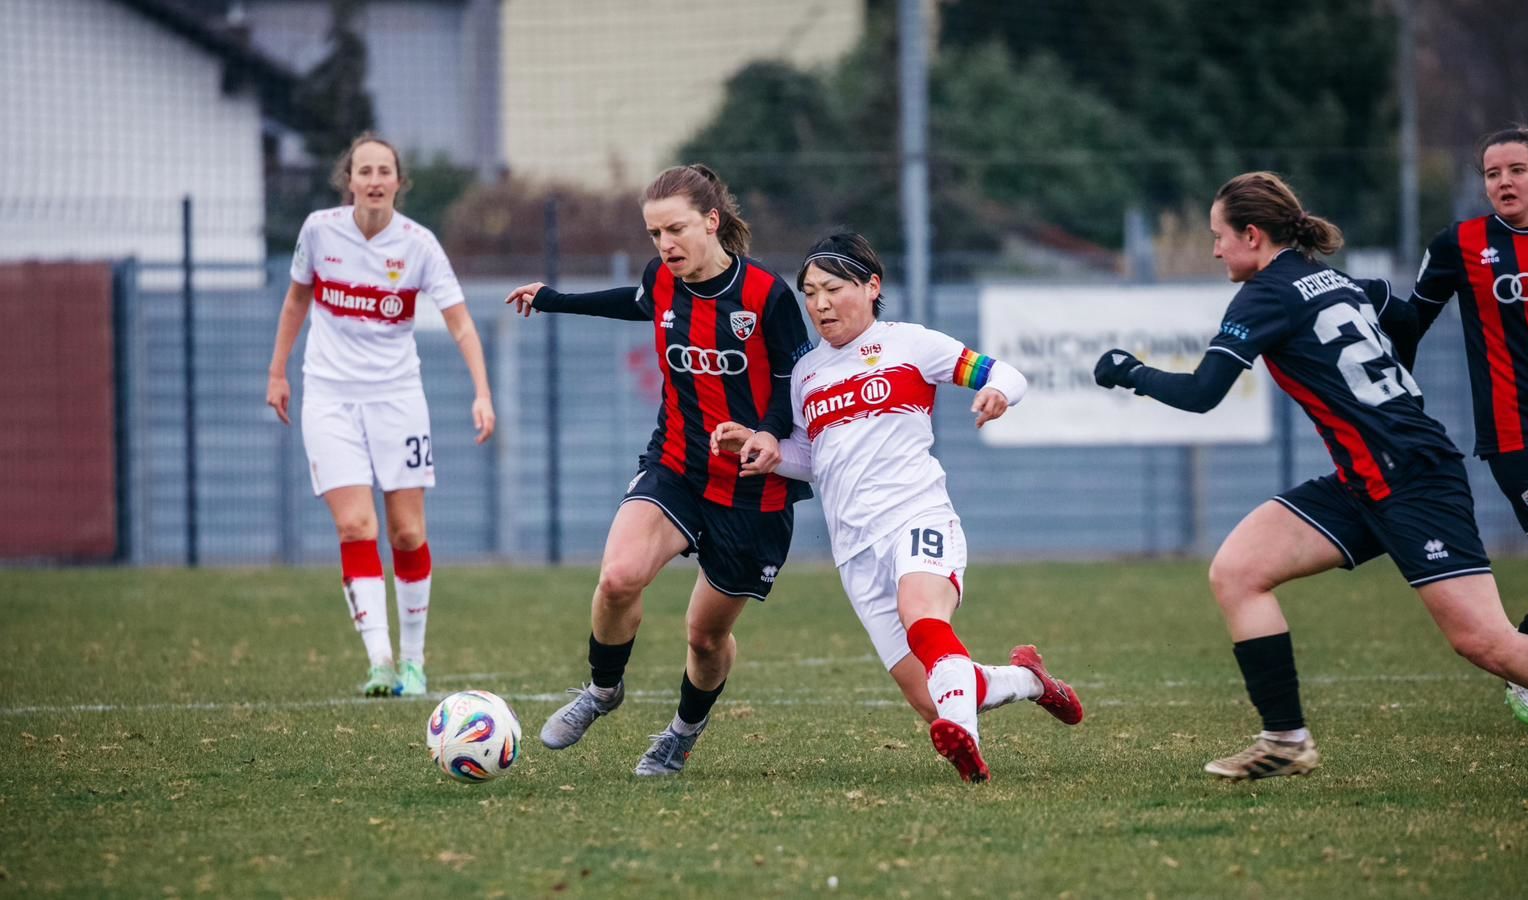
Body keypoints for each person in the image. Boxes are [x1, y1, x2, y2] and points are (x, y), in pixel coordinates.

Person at [1093, 171, 1528, 780]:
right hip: (1365, 480)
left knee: (1486, 643)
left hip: (1413, 479)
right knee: (1237, 571)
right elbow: (1405, 318)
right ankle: (1286, 741)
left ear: (1252, 235)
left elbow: (1203, 393)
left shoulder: (1266, 294)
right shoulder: (1343, 283)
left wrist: (1127, 371)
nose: (1214, 249)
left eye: (1218, 235)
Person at [711, 233, 1083, 783]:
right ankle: (1028, 680)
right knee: (932, 697)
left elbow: (1003, 372)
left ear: (871, 286)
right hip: (854, 548)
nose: (820, 304)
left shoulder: (911, 343)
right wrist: (762, 449)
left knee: (922, 615)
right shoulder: (807, 374)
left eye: (834, 288)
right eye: (810, 292)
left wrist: (999, 393)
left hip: (917, 514)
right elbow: (814, 457)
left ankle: (969, 753)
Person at [504, 164, 811, 777]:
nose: (664, 245)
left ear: (712, 222)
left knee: (704, 639)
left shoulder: (766, 296)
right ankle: (602, 689)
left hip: (753, 491)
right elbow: (636, 303)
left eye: (675, 229)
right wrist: (554, 299)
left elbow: (792, 385)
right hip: (675, 464)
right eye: (653, 234)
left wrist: (765, 434)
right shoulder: (661, 280)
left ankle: (682, 732)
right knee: (618, 579)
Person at [1380, 125, 1528, 725]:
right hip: (1519, 437)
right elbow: (1410, 325)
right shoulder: (1459, 244)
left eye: (1516, 170)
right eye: (1492, 173)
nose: (1503, 181)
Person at [266, 132, 496, 697]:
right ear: (349, 180)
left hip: (397, 397)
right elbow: (297, 299)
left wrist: (482, 391)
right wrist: (277, 372)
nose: (373, 180)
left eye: (383, 171)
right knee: (354, 525)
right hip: (328, 395)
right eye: (363, 170)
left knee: (408, 532)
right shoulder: (320, 231)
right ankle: (381, 663)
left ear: (399, 182)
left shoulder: (419, 246)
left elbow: (462, 322)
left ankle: (415, 663)